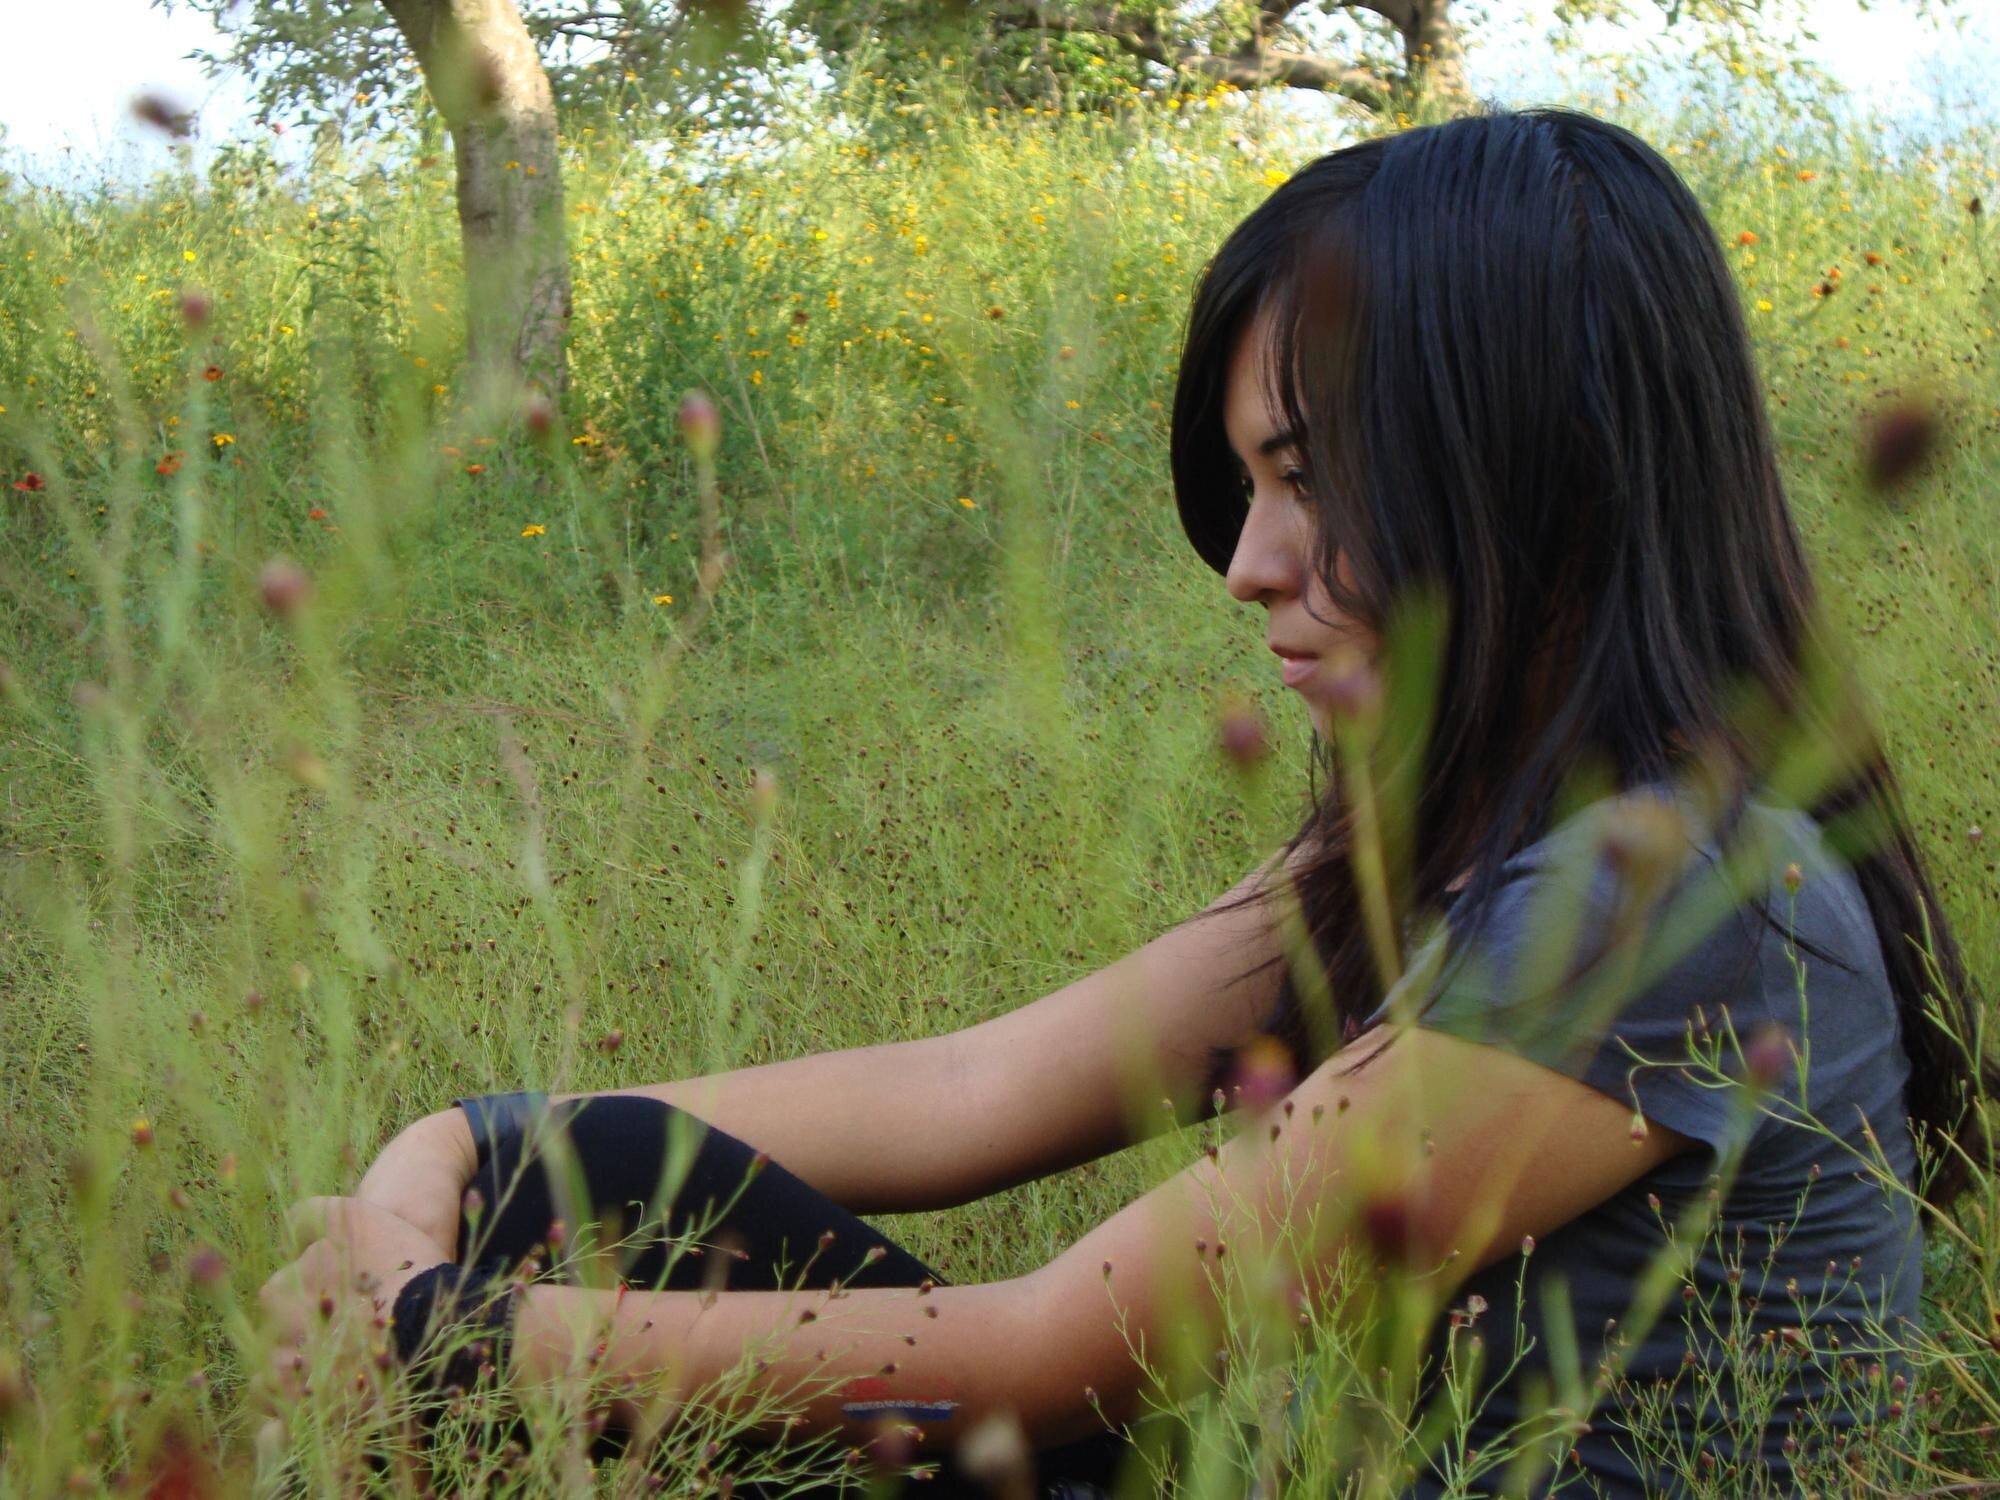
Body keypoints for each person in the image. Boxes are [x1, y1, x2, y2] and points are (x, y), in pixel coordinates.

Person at [258, 106, 1990, 1498]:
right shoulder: (1460, 852)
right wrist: (463, 1152)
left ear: (1540, 466)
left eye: (1312, 479)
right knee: (586, 1179)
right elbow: (969, 1089)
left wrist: (435, 1331)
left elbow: (1042, 1353)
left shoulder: (1661, 890)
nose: (1249, 566)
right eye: (1247, 488)